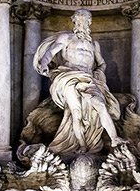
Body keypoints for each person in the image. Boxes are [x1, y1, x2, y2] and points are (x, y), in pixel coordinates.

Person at [32, 8, 123, 157]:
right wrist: (43, 64)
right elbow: (50, 52)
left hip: (89, 79)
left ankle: (114, 138)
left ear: (90, 22)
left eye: (86, 20)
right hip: (68, 76)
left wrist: (98, 72)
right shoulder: (66, 37)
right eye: (79, 19)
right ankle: (82, 145)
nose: (83, 22)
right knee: (76, 113)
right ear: (74, 21)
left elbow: (102, 64)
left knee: (100, 105)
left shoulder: (94, 44)